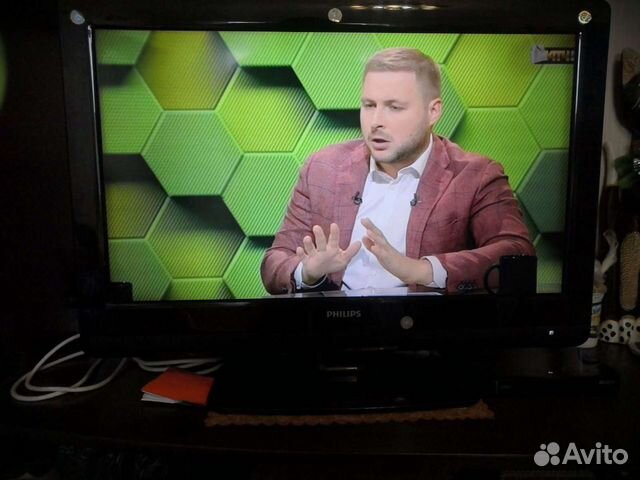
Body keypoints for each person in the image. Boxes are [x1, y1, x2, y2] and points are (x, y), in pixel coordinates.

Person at [261, 48, 535, 294]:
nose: (376, 122)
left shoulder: (476, 175)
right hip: (338, 327)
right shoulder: (322, 168)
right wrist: (308, 272)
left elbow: (518, 252)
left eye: (394, 107)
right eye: (369, 105)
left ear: (433, 111)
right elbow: (275, 263)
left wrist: (421, 270)